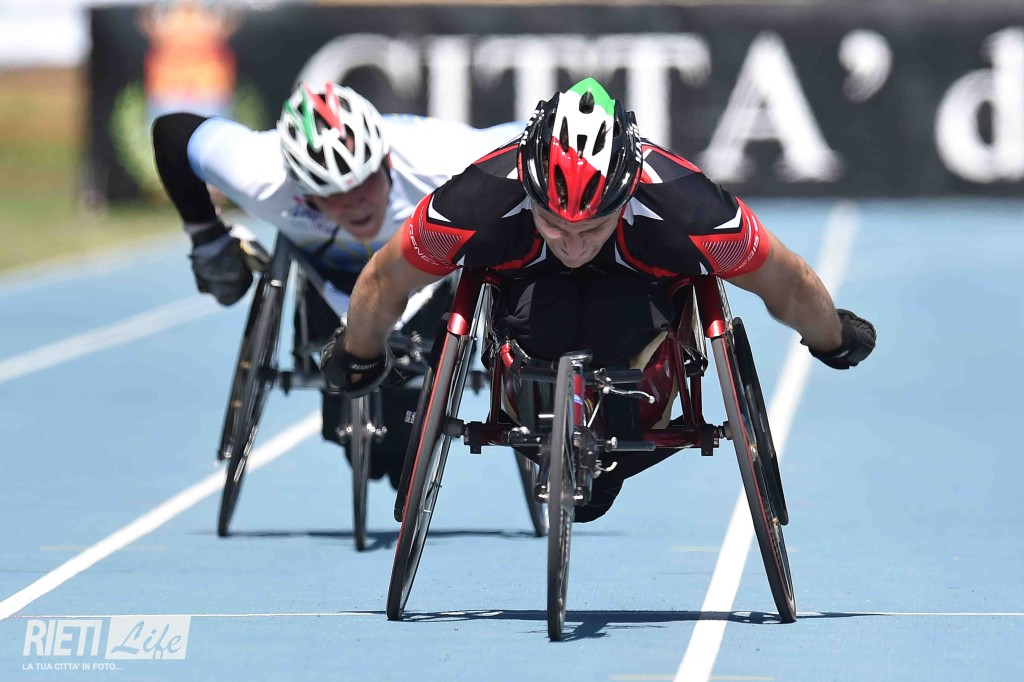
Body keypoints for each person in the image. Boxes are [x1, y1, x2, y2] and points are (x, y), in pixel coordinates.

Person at [322, 77, 876, 521]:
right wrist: (359, 352)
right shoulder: (477, 200)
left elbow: (786, 282)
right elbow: (386, 279)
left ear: (628, 192)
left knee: (630, 315)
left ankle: (612, 427)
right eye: (553, 224)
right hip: (528, 326)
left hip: (641, 326)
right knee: (538, 308)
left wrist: (832, 336)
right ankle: (548, 410)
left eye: (592, 227)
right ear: (527, 188)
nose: (573, 243)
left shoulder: (688, 206)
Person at [151, 80, 524, 487]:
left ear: (386, 162)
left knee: (408, 451)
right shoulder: (260, 173)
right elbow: (172, 133)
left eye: (365, 182)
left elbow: (538, 134)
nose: (355, 202)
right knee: (362, 445)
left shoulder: (444, 159)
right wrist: (207, 238)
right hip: (327, 281)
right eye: (331, 193)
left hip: (424, 280)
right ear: (303, 191)